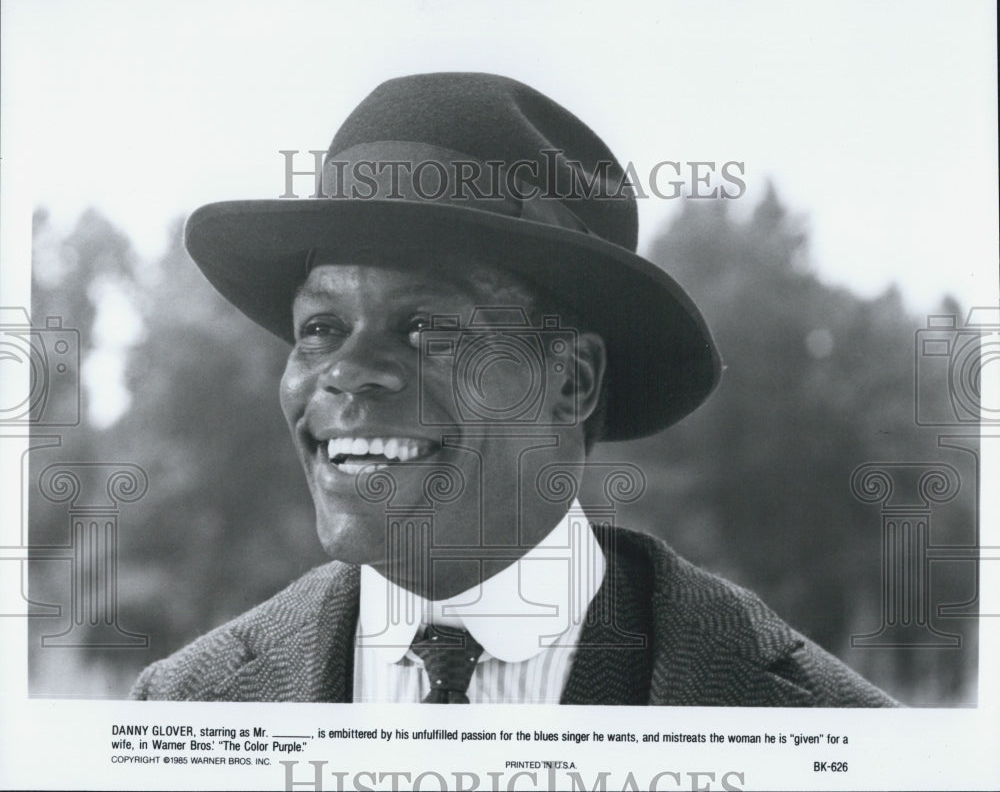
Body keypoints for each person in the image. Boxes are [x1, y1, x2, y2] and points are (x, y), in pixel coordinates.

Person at [130, 72, 896, 706]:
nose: (346, 370)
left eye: (429, 326)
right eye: (322, 328)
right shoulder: (183, 708)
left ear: (572, 379)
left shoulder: (832, 735)